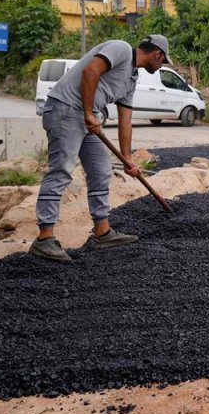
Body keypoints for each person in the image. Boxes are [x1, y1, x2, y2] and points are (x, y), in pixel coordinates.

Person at [29, 35, 172, 262]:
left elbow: (125, 120)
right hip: (66, 109)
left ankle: (102, 232)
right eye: (163, 61)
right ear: (157, 54)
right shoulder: (121, 49)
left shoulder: (131, 79)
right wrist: (88, 113)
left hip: (88, 117)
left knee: (101, 170)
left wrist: (127, 159)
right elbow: (90, 72)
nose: (161, 65)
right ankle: (44, 239)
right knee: (61, 170)